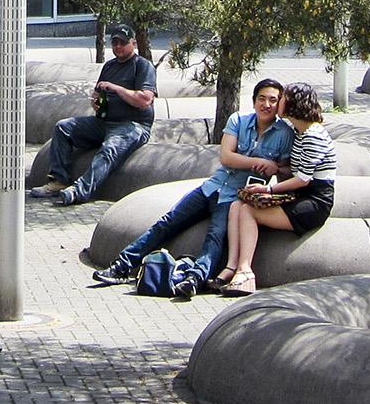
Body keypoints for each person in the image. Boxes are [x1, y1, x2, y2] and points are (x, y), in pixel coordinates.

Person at [90, 79, 294, 298]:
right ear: (254, 101)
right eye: (262, 98)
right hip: (212, 186)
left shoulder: (284, 134)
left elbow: (286, 170)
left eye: (273, 100)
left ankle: (194, 279)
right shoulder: (238, 120)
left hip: (236, 197)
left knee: (215, 237)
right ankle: (121, 266)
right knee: (167, 223)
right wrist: (259, 163)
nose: (267, 104)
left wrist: (276, 167)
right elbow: (227, 157)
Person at [218, 83, 336, 297]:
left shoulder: (313, 135)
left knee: (248, 210)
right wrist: (275, 168)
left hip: (314, 202)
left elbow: (302, 179)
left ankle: (245, 272)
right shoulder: (299, 132)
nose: (276, 102)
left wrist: (268, 190)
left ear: (292, 104)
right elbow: (294, 168)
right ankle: (231, 266)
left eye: (281, 98)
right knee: (237, 204)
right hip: (301, 194)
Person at [26, 24, 157, 205]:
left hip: (132, 125)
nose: (118, 47)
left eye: (123, 43)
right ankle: (59, 180)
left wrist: (115, 88)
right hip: (105, 121)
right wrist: (96, 103)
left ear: (133, 43)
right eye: (115, 43)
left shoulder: (142, 66)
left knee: (109, 148)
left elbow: (144, 100)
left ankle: (79, 191)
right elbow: (99, 95)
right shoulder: (110, 67)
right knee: (63, 127)